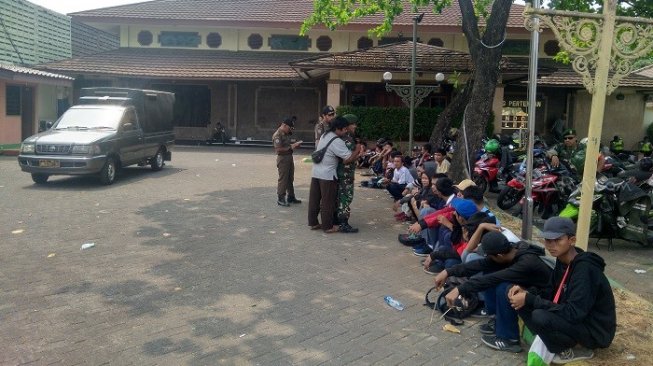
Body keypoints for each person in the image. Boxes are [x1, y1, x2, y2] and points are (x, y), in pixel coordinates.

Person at [508, 217, 616, 364]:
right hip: (574, 318)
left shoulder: (585, 270)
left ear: (572, 240)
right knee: (516, 296)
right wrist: (527, 292)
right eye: (547, 240)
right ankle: (551, 340)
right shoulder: (562, 259)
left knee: (539, 315)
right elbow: (549, 291)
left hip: (594, 331)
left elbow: (574, 313)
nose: (551, 245)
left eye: (557, 240)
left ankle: (576, 349)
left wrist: (531, 299)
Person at [433, 232, 552, 353]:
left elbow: (493, 279)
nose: (488, 258)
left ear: (499, 255)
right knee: (490, 272)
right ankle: (496, 321)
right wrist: (448, 271)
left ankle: (509, 339)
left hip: (544, 299)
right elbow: (479, 265)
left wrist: (460, 289)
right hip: (530, 289)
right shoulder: (510, 251)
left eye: (489, 255)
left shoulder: (526, 262)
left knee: (503, 287)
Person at [308, 116, 363, 233]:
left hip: (316, 172)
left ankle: (313, 223)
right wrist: (357, 149)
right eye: (344, 129)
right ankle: (328, 227)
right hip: (327, 175)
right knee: (328, 201)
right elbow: (347, 159)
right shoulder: (336, 140)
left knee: (315, 199)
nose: (345, 131)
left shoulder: (324, 135)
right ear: (338, 128)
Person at [336, 114, 361, 233]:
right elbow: (347, 159)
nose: (355, 126)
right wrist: (358, 150)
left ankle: (339, 220)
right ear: (348, 125)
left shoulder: (345, 137)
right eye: (353, 124)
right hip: (345, 174)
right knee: (346, 198)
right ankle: (343, 223)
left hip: (344, 173)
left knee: (342, 197)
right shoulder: (347, 139)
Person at [272, 116, 302, 206]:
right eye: (289, 128)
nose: (290, 130)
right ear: (284, 125)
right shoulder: (277, 135)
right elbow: (278, 149)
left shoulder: (285, 134)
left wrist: (294, 145)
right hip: (283, 159)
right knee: (283, 179)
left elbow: (287, 145)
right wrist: (291, 147)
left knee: (290, 179)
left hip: (289, 158)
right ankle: (281, 198)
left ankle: (291, 197)